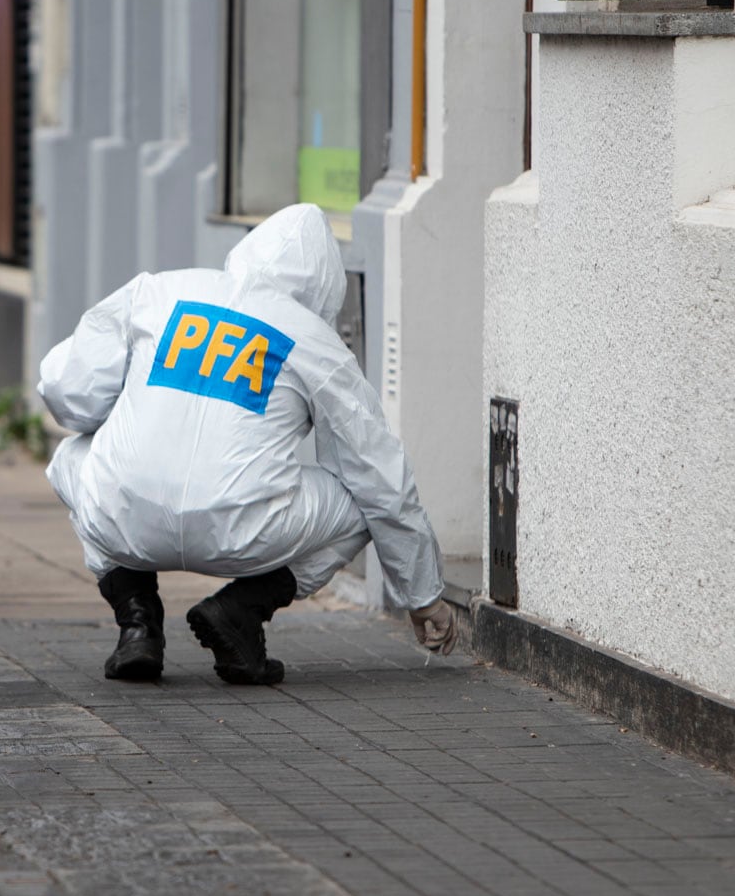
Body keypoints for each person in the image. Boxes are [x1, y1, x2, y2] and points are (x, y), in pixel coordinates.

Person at [37, 204, 458, 684]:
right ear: (324, 287)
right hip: (243, 533)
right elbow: (381, 475)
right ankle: (241, 610)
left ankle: (137, 622)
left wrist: (125, 431)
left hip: (125, 521)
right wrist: (422, 596)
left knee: (73, 457)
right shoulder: (315, 341)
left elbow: (65, 386)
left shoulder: (158, 291)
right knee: (364, 501)